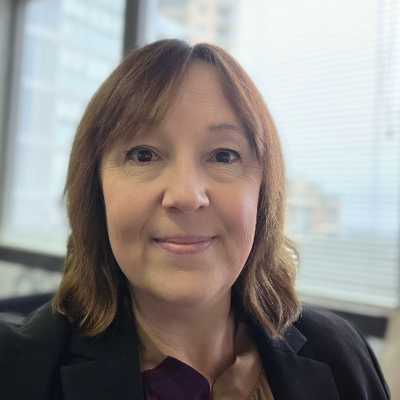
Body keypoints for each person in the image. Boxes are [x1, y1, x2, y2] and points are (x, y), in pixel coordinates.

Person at [0, 39, 390, 400]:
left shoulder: (340, 353)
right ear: (95, 189)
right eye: (143, 155)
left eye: (224, 155)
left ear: (263, 192)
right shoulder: (16, 370)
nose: (186, 196)